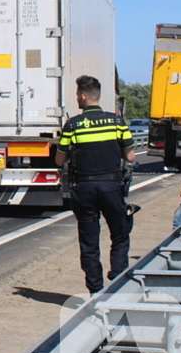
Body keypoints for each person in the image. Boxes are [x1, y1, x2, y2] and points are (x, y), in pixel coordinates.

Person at [55, 75, 136, 295]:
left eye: (77, 96)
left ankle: (95, 290)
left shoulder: (73, 125)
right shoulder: (117, 122)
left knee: (89, 243)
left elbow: (59, 161)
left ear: (82, 96)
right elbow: (130, 156)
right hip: (111, 188)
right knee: (119, 234)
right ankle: (118, 276)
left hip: (85, 189)